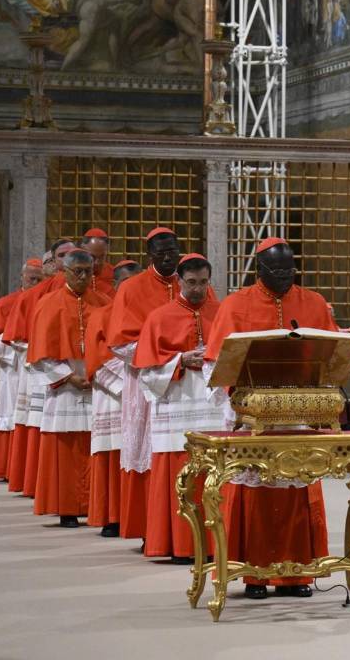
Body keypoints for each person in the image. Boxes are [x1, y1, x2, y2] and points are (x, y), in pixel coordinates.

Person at [203, 237, 334, 600]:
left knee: (299, 489)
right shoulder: (236, 304)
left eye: (290, 269)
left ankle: (298, 574)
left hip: (300, 412)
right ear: (259, 269)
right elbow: (217, 364)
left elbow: (332, 353)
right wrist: (237, 399)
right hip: (255, 414)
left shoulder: (313, 302)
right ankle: (255, 575)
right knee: (256, 494)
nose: (285, 277)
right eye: (277, 271)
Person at [134, 254, 226, 561]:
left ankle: (216, 545)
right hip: (177, 401)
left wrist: (212, 360)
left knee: (215, 472)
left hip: (213, 404)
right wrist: (180, 359)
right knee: (179, 472)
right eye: (191, 283)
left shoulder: (222, 313)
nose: (198, 289)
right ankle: (179, 545)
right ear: (179, 281)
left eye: (203, 282)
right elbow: (146, 372)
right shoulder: (159, 317)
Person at [105, 227, 185, 541]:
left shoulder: (191, 283)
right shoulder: (131, 288)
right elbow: (120, 344)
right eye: (161, 252)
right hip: (146, 381)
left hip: (186, 387)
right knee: (148, 454)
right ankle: (148, 529)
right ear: (149, 255)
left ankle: (181, 527)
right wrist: (168, 358)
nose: (168, 258)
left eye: (172, 251)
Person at [27, 249, 109, 525]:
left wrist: (97, 373)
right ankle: (67, 509)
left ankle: (92, 506)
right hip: (64, 387)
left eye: (89, 271)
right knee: (66, 450)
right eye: (79, 272)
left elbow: (111, 347)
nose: (85, 277)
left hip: (97, 384)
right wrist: (68, 376)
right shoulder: (48, 304)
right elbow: (38, 355)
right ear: (65, 272)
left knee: (93, 448)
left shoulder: (103, 303)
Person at [5, 239, 74, 497]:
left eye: (72, 254)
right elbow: (17, 337)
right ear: (53, 261)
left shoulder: (89, 291)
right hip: (42, 368)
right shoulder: (36, 295)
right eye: (62, 255)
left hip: (77, 372)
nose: (67, 260)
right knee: (39, 424)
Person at [85, 261, 141, 537]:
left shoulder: (147, 313)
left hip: (144, 394)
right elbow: (97, 358)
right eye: (126, 282)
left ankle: (133, 516)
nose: (131, 288)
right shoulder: (101, 314)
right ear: (116, 285)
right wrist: (129, 383)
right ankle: (111, 516)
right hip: (113, 395)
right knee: (111, 453)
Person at [0, 258, 43, 479]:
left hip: (36, 368)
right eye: (31, 278)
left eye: (39, 279)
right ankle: (8, 468)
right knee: (12, 415)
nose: (34, 282)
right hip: (14, 369)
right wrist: (17, 353)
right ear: (22, 276)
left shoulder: (42, 301)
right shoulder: (5, 304)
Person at [80, 228, 115, 298]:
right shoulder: (74, 274)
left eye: (102, 256)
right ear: (82, 249)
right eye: (92, 257)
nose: (97, 262)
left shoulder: (114, 274)